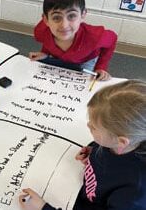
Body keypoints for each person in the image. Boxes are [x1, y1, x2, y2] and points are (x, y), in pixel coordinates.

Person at [19, 79, 146, 210]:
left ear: (121, 142)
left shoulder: (135, 191)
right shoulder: (121, 140)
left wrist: (43, 208)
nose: (88, 125)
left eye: (94, 127)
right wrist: (93, 151)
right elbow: (107, 145)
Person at [30, 0, 117, 81]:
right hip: (59, 58)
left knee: (85, 84)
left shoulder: (94, 36)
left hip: (86, 60)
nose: (64, 25)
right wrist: (45, 54)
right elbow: (47, 40)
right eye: (56, 17)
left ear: (82, 15)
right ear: (46, 20)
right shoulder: (40, 32)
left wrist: (101, 67)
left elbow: (113, 39)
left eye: (71, 16)